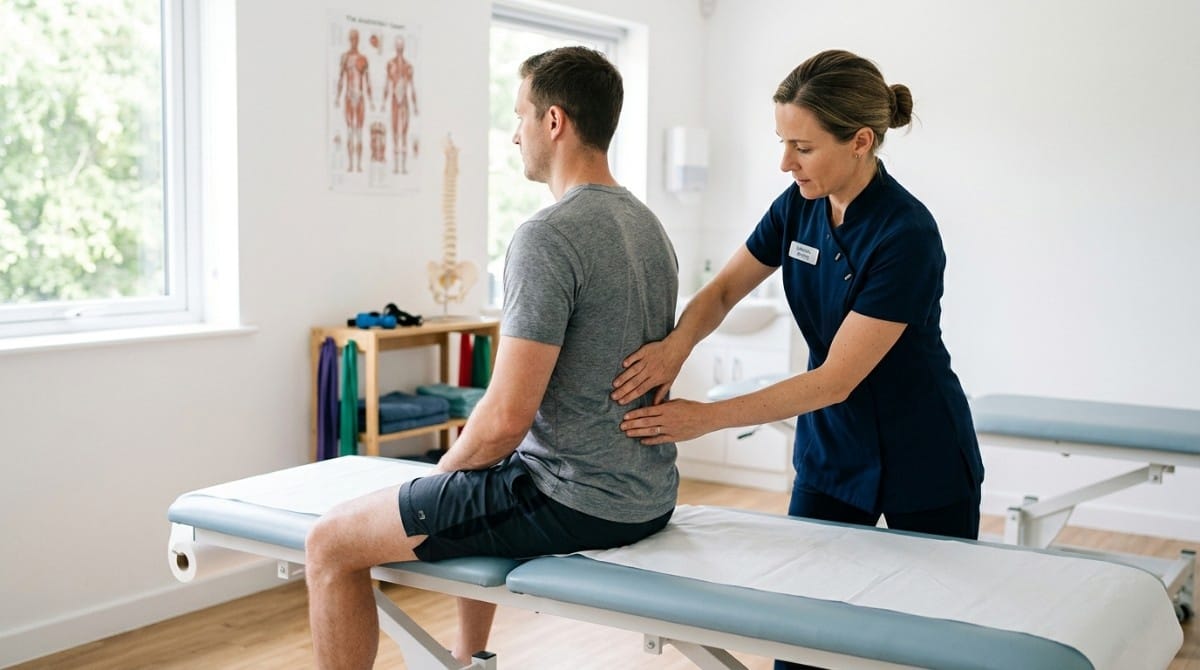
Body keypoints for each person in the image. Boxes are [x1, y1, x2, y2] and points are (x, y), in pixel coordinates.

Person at [305, 46, 679, 669]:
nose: (514, 135)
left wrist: (436, 479)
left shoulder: (547, 235)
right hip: (648, 491)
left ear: (554, 122)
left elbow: (505, 420)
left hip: (574, 498)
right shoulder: (647, 227)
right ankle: (470, 657)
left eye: (520, 115)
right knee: (482, 482)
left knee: (329, 542)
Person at [614, 51, 984, 669]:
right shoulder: (797, 205)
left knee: (931, 647)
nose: (785, 162)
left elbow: (836, 379)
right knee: (800, 641)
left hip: (923, 453)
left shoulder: (906, 233)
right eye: (783, 142)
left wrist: (705, 418)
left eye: (802, 147)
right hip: (831, 455)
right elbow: (726, 289)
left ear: (861, 141)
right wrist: (675, 350)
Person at [335, 28, 374, 173]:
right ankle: (351, 164)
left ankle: (359, 165)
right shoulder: (345, 58)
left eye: (356, 38)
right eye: (352, 38)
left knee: (359, 131)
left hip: (360, 97)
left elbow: (367, 81)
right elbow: (340, 79)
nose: (354, 41)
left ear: (358, 40)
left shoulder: (363, 58)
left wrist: (370, 99)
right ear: (349, 39)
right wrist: (337, 97)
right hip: (349, 96)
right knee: (350, 131)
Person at [383, 35, 419, 174]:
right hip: (394, 101)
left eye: (401, 46)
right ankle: (395, 166)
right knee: (394, 133)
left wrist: (415, 106)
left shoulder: (408, 66)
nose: (399, 49)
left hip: (404, 102)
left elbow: (412, 87)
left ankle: (403, 167)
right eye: (397, 46)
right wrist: (383, 102)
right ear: (395, 47)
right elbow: (387, 84)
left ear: (403, 48)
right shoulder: (390, 65)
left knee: (403, 134)